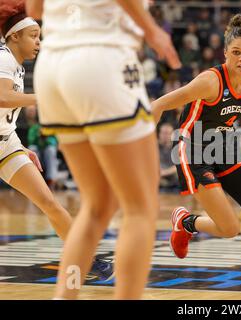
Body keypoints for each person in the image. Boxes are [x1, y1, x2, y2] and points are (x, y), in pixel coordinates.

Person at [27, 0, 180, 300]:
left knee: (98, 207)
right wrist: (151, 30)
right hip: (100, 60)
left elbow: (34, 9)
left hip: (51, 67)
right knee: (140, 208)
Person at [152, 14, 241, 289]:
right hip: (192, 148)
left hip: (224, 145)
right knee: (229, 228)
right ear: (226, 53)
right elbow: (161, 104)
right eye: (237, 52)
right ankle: (186, 222)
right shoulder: (210, 81)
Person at [0, 1, 113, 279]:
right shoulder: (2, 56)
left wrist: (21, 147)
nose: (39, 42)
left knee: (50, 203)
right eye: (34, 36)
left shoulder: (17, 66)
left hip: (6, 143)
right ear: (14, 36)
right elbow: (2, 97)